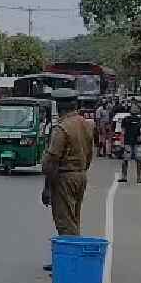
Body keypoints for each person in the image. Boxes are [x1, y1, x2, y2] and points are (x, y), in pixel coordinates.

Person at [41, 93, 96, 271]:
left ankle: (70, 264)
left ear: (59, 106)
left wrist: (47, 187)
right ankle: (68, 259)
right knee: (74, 218)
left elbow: (52, 161)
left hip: (64, 177)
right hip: (80, 175)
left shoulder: (62, 128)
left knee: (65, 222)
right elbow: (89, 154)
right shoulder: (86, 124)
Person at [116, 105, 141, 183]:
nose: (134, 110)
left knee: (138, 160)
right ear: (130, 110)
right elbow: (123, 131)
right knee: (125, 159)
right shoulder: (125, 119)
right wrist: (122, 142)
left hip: (137, 143)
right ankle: (124, 176)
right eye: (133, 108)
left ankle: (139, 177)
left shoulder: (140, 120)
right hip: (127, 142)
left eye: (136, 108)